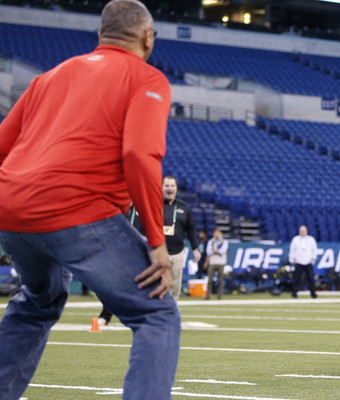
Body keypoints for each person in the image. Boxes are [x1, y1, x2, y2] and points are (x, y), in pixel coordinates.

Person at [0, 1, 180, 399]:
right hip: (76, 209)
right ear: (147, 38)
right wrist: (156, 242)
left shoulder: (49, 77)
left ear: (101, 36)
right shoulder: (146, 78)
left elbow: (1, 147)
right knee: (157, 314)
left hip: (11, 212)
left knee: (38, 302)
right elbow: (139, 155)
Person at [161, 175, 201, 299]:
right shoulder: (155, 205)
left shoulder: (184, 207)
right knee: (159, 285)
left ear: (176, 188)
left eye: (172, 186)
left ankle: (172, 314)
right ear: (162, 187)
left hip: (178, 253)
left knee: (175, 287)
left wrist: (195, 248)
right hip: (160, 252)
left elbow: (191, 229)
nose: (169, 188)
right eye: (167, 185)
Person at [289, 225, 319, 299]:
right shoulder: (295, 239)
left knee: (311, 278)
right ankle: (294, 294)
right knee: (296, 279)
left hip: (308, 262)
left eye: (304, 231)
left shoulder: (311, 239)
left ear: (307, 231)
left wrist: (312, 259)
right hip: (298, 262)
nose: (302, 232)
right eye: (301, 231)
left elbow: (314, 250)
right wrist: (293, 259)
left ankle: (313, 293)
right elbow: (292, 250)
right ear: (299, 231)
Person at [205, 228, 229, 300]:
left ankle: (219, 296)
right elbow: (208, 252)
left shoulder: (224, 241)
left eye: (217, 233)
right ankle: (208, 295)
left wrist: (215, 251)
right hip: (212, 262)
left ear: (220, 233)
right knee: (210, 280)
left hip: (221, 263)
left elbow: (223, 251)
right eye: (215, 233)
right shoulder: (211, 241)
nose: (216, 234)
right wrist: (216, 251)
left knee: (220, 280)